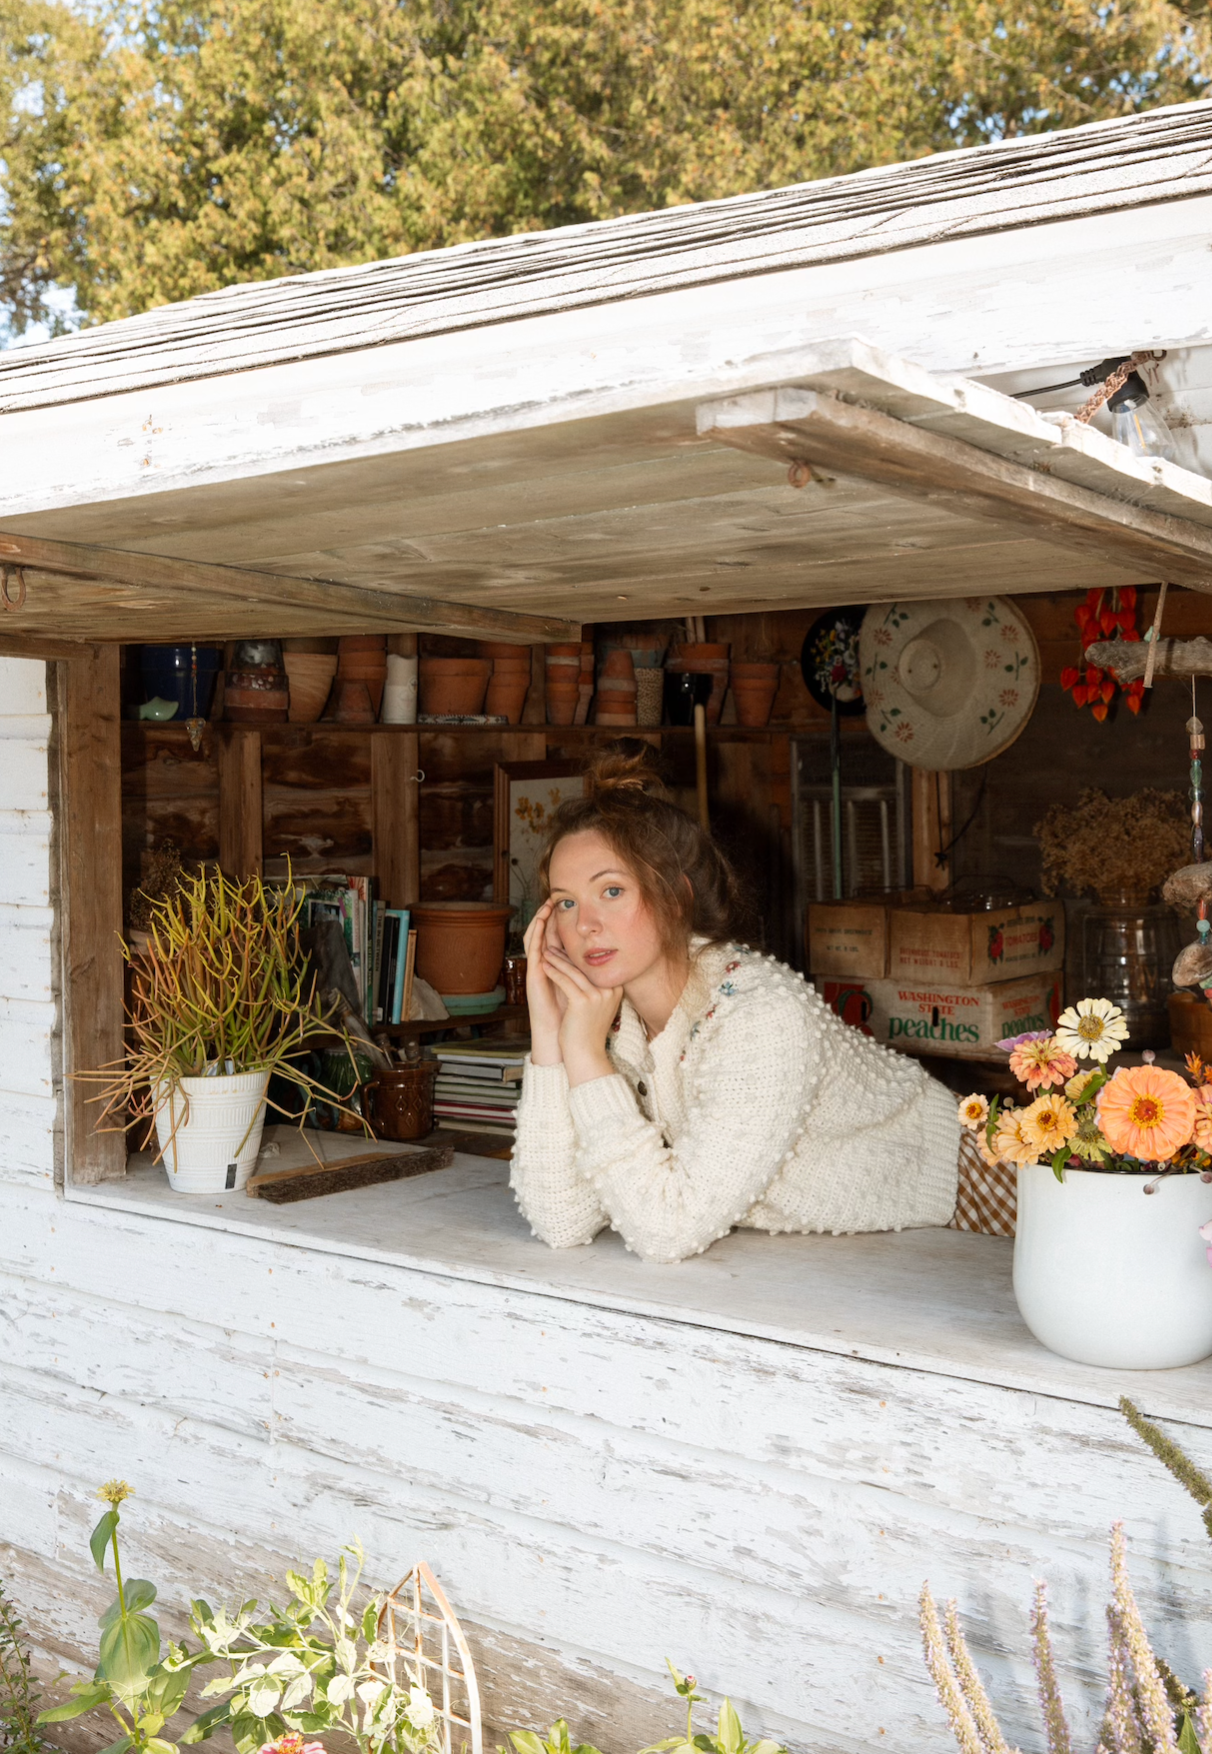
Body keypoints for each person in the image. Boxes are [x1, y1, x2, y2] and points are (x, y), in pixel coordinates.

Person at [510, 748, 959, 1263]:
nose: (584, 924)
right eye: (566, 902)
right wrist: (549, 1034)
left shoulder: (758, 1013)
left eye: (611, 891)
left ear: (676, 897)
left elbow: (667, 1232)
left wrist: (585, 1059)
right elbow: (562, 1219)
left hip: (971, 1205)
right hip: (853, 1257)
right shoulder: (609, 1021)